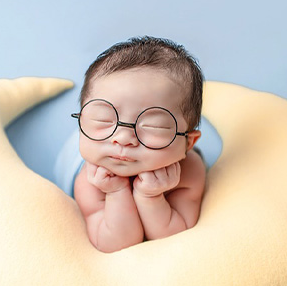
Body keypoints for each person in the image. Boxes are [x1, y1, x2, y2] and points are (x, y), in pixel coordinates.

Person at [72, 36, 205, 253]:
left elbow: (174, 238)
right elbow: (113, 244)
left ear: (188, 143)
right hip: (94, 145)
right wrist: (115, 192)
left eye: (153, 126)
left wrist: (150, 198)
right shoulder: (90, 179)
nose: (123, 138)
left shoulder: (189, 171)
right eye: (103, 119)